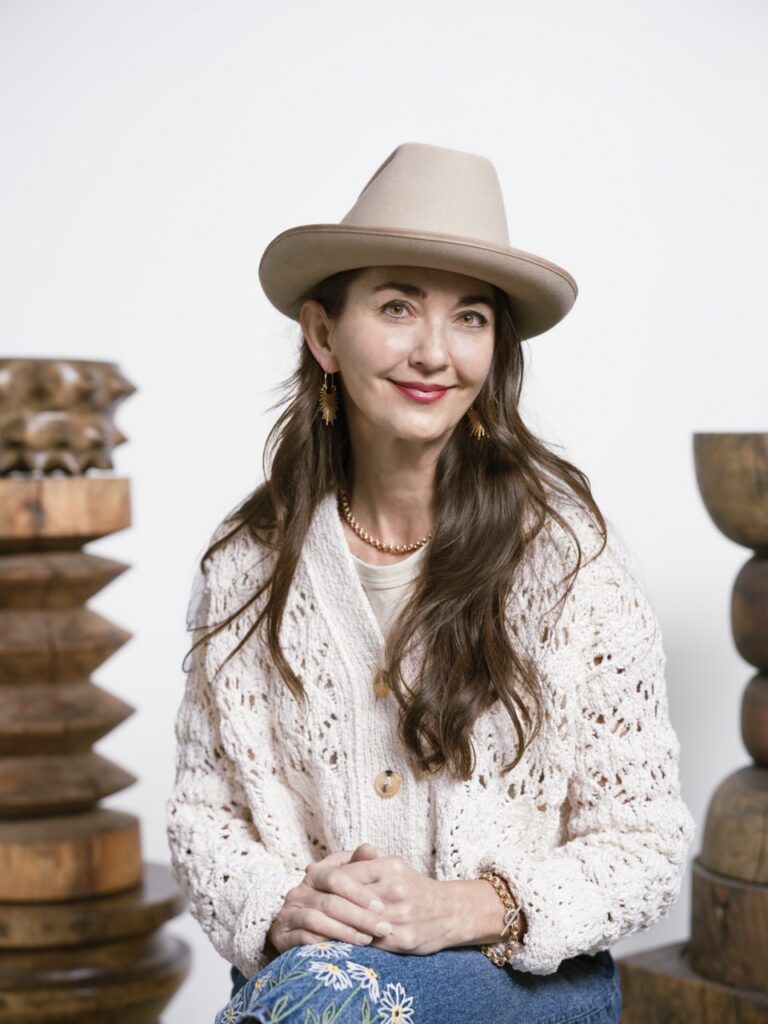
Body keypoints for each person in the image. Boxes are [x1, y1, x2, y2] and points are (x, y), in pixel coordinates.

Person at [166, 142, 696, 1024]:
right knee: (318, 996)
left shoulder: (567, 559)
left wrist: (464, 906)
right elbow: (203, 818)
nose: (434, 352)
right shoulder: (245, 564)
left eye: (471, 318)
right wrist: (287, 905)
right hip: (302, 987)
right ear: (324, 333)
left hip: (523, 989)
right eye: (398, 306)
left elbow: (645, 843)